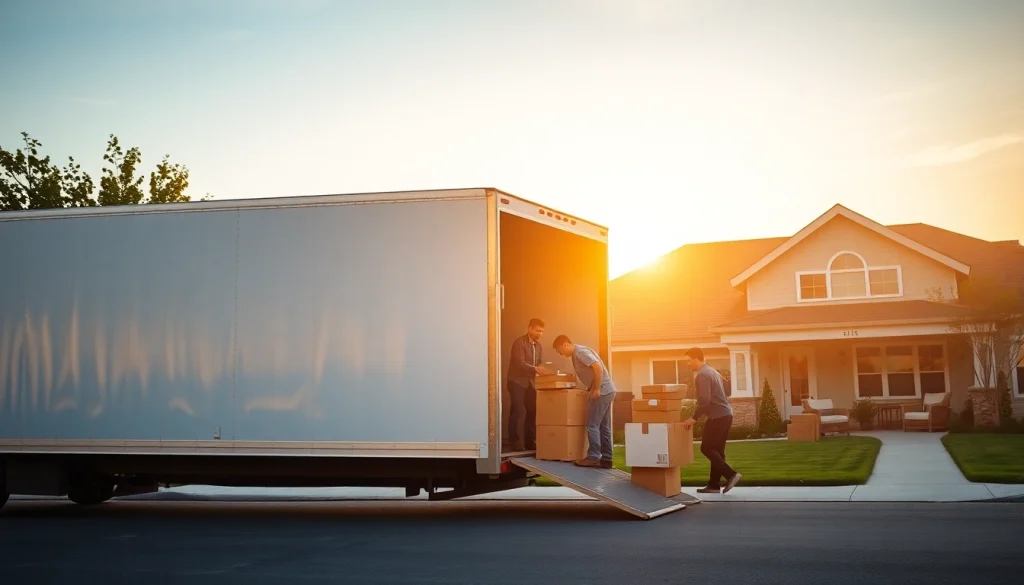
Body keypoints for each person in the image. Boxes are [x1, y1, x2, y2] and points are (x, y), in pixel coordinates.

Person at [682, 347, 742, 494]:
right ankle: (714, 485)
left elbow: (704, 399)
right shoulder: (712, 371)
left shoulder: (702, 374)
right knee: (717, 451)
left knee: (706, 448)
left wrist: (693, 417)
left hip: (718, 416)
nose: (687, 364)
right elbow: (723, 388)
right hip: (726, 414)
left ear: (697, 359)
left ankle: (731, 474)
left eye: (689, 361)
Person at [552, 334, 616, 469]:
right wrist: (591, 388)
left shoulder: (580, 352)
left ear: (565, 345)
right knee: (603, 427)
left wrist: (597, 389)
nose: (561, 354)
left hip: (603, 391)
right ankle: (607, 459)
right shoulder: (577, 354)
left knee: (591, 424)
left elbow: (597, 367)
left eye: (559, 350)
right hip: (608, 390)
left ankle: (593, 457)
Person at [506, 318, 551, 451]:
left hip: (531, 383)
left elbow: (538, 363)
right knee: (518, 411)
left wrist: (541, 368)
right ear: (530, 328)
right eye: (537, 330)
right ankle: (514, 443)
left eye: (542, 331)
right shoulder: (519, 343)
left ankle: (530, 443)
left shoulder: (539, 346)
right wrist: (535, 369)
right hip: (517, 382)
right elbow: (519, 363)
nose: (540, 334)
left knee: (532, 411)